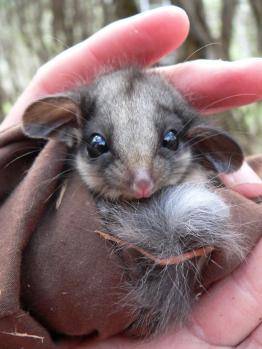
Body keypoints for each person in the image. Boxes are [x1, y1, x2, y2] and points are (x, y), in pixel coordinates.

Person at [2, 6, 262, 349]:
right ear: (71, 131)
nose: (142, 181)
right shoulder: (54, 192)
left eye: (168, 142)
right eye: (100, 145)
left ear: (195, 141)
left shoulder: (202, 172)